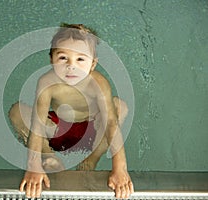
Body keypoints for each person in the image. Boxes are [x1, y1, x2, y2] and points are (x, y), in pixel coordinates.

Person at [8, 23, 134, 199]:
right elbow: (38, 122)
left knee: (120, 107)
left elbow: (111, 124)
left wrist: (119, 168)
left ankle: (91, 160)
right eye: (63, 58)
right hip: (58, 130)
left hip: (91, 134)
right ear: (51, 59)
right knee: (16, 111)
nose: (71, 66)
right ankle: (49, 157)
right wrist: (33, 165)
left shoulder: (98, 83)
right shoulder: (46, 82)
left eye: (80, 59)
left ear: (93, 64)